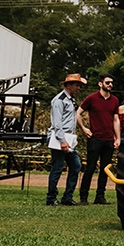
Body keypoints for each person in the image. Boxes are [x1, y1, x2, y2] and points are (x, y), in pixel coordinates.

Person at [76, 73, 120, 205]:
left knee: (105, 169)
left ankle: (100, 196)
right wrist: (84, 128)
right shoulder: (92, 98)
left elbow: (116, 119)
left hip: (108, 140)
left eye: (111, 83)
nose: (110, 85)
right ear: (100, 84)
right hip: (95, 139)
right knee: (90, 168)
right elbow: (78, 113)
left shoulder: (114, 100)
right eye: (107, 82)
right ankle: (83, 197)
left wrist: (118, 138)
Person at [46, 73, 87, 206]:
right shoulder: (59, 100)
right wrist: (62, 140)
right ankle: (51, 198)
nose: (78, 88)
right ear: (68, 85)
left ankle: (67, 197)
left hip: (68, 138)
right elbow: (57, 123)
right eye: (77, 85)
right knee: (57, 168)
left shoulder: (70, 100)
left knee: (76, 166)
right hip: (60, 138)